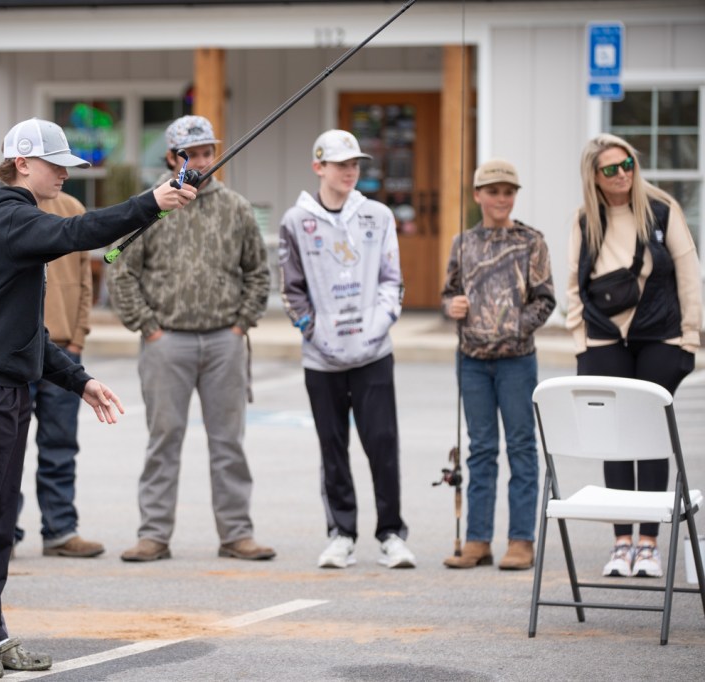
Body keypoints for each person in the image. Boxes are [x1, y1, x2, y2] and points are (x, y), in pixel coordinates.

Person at [0, 117, 197, 679]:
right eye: (55, 164)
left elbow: (27, 331)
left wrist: (80, 380)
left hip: (9, 385)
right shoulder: (8, 215)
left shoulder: (18, 220)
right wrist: (150, 202)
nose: (64, 174)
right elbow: (78, 234)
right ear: (22, 163)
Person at [107, 114, 273, 563]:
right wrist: (149, 328)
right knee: (163, 440)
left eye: (206, 152)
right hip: (166, 343)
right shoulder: (149, 206)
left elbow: (258, 272)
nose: (200, 161)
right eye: (190, 154)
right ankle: (153, 535)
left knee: (229, 443)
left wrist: (241, 324)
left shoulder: (236, 208)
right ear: (171, 157)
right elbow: (122, 273)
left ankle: (237, 534)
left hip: (224, 341)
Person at [278, 129, 414, 570]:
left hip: (373, 352)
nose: (350, 171)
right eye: (341, 164)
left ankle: (391, 533)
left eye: (355, 164)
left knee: (383, 443)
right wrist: (314, 332)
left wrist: (377, 328)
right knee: (332, 446)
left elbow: (392, 279)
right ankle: (341, 534)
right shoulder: (295, 221)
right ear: (319, 167)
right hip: (322, 358)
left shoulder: (378, 214)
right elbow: (291, 289)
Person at [566, 133, 701, 579]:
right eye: (611, 169)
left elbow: (689, 272)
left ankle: (649, 544)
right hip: (605, 338)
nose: (622, 174)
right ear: (594, 176)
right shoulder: (585, 220)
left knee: (650, 433)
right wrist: (581, 341)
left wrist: (690, 336)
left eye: (627, 164)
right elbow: (574, 284)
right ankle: (621, 542)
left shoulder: (661, 209)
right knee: (615, 439)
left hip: (661, 334)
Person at [440, 159, 556, 571]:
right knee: (481, 449)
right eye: (493, 191)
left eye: (508, 192)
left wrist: (512, 328)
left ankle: (521, 540)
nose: (501, 199)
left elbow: (546, 300)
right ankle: (477, 540)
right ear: (478, 195)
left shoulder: (531, 242)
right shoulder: (463, 243)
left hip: (517, 362)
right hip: (471, 362)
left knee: (521, 447)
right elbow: (448, 294)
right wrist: (451, 307)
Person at [12, 191, 104, 559]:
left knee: (60, 447)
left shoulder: (72, 209)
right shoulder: (5, 210)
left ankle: (60, 530)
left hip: (64, 349)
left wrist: (78, 338)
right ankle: (2, 533)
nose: (61, 172)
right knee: (8, 449)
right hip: (17, 352)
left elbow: (85, 282)